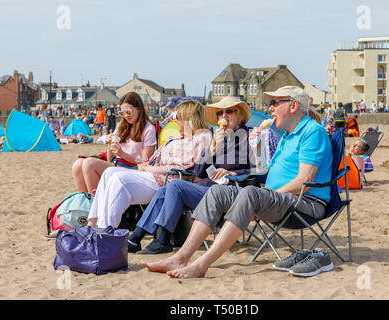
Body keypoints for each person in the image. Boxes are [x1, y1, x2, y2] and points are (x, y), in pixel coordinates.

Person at [139, 86, 333, 279]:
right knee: (216, 193)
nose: (270, 108)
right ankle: (180, 257)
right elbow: (262, 173)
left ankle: (201, 265)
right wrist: (236, 150)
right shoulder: (287, 137)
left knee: (249, 192)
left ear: (293, 106)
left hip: (304, 203)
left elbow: (305, 181)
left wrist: (266, 195)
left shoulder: (312, 132)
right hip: (276, 199)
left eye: (275, 103)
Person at [126, 96, 258, 254]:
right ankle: (135, 238)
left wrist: (232, 172)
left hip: (232, 191)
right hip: (210, 190)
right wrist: (212, 150)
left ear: (240, 115)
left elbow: (258, 170)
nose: (224, 116)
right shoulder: (217, 137)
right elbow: (199, 172)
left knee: (175, 185)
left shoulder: (249, 136)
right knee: (163, 191)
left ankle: (163, 240)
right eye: (220, 113)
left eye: (229, 111)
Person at [87, 99, 212, 229]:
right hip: (151, 174)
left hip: (167, 180)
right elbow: (150, 159)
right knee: (109, 173)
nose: (174, 120)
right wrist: (144, 165)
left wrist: (149, 169)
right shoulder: (175, 137)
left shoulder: (201, 137)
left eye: (177, 117)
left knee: (119, 179)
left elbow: (181, 167)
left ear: (188, 118)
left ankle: (106, 229)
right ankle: (93, 223)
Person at [72, 92, 156, 193]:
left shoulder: (148, 129)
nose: (125, 116)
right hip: (116, 164)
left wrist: (123, 154)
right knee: (77, 165)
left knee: (89, 163)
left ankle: (96, 203)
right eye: (122, 113)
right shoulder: (122, 125)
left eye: (128, 112)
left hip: (134, 170)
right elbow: (110, 158)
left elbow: (145, 161)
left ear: (138, 109)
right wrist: (110, 145)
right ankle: (87, 202)